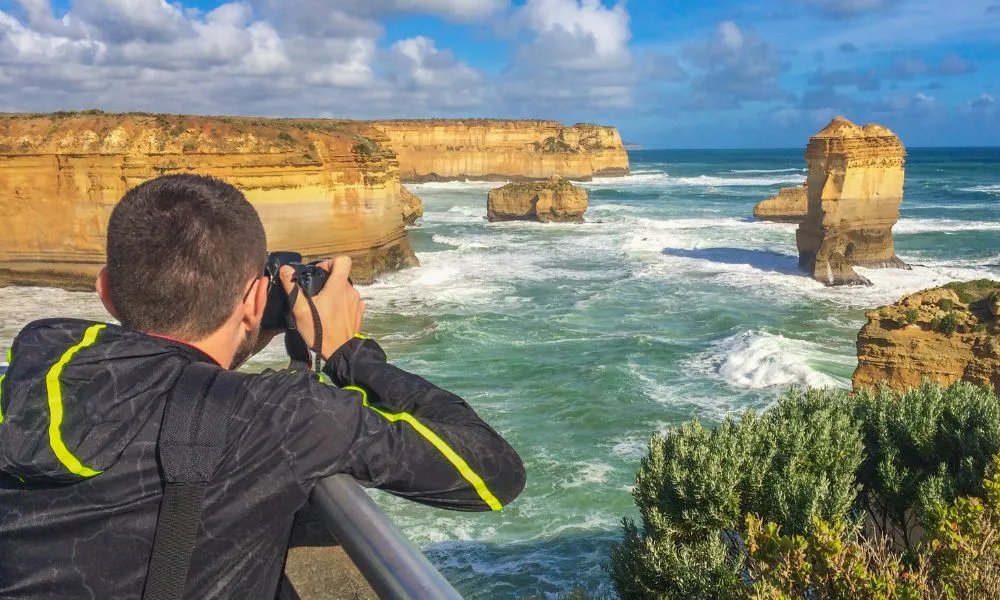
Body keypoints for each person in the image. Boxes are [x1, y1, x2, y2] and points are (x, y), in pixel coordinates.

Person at [0, 174, 525, 599]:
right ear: (255, 301)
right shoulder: (282, 418)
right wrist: (347, 350)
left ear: (105, 291)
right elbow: (493, 473)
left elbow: (161, 387)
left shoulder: (24, 375)